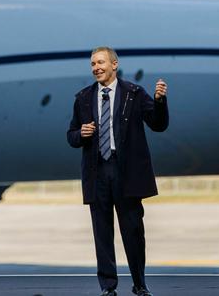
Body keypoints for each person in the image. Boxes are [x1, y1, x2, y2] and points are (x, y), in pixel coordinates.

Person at [67, 47, 168, 296]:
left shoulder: (134, 94)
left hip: (126, 173)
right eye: (92, 64)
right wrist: (82, 133)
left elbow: (158, 124)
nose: (96, 68)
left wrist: (159, 101)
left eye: (100, 62)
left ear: (114, 64)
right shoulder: (82, 98)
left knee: (133, 231)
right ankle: (108, 287)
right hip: (97, 172)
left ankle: (139, 284)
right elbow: (71, 135)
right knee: (102, 233)